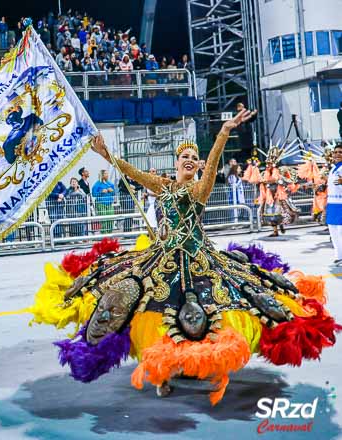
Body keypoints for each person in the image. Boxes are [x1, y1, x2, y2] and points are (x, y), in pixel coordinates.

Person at [30, 109, 341, 405]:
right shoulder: (163, 187)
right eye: (185, 157)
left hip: (198, 263)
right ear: (176, 162)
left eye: (195, 158)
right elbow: (133, 174)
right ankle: (163, 370)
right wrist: (105, 155)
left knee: (203, 314)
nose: (190, 161)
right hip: (159, 261)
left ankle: (200, 365)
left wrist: (222, 133)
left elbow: (211, 165)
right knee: (150, 312)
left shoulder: (198, 191)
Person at [243, 146, 299, 237]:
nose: (268, 165)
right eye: (267, 164)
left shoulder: (281, 170)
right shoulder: (265, 172)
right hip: (269, 195)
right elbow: (257, 179)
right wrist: (254, 169)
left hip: (278, 195)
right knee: (270, 213)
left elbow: (289, 180)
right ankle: (275, 231)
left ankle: (280, 225)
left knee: (281, 212)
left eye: (269, 163)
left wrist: (279, 181)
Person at [327, 144, 342, 264]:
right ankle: (338, 256)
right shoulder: (333, 169)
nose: (337, 154)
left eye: (340, 152)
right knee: (333, 232)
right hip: (331, 204)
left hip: (341, 204)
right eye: (335, 152)